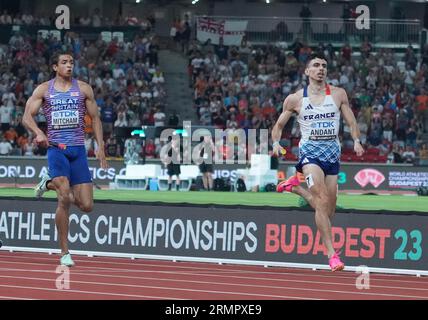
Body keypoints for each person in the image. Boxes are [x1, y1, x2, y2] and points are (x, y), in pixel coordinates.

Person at [271, 52, 364, 272]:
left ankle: (296, 188)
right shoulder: (295, 99)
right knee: (321, 199)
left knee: (328, 210)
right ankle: (332, 255)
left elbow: (351, 120)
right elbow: (278, 125)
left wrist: (357, 140)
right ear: (307, 71)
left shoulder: (339, 94)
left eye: (324, 65)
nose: (321, 68)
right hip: (309, 155)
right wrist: (276, 143)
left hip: (332, 155)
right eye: (316, 65)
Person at [23, 51, 108, 267]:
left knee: (87, 205)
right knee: (64, 197)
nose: (69, 65)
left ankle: (47, 182)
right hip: (57, 149)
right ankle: (65, 252)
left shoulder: (83, 89)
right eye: (64, 62)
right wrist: (38, 133)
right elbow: (26, 116)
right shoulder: (44, 90)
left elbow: (96, 119)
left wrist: (100, 147)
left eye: (71, 62)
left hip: (78, 150)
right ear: (55, 67)